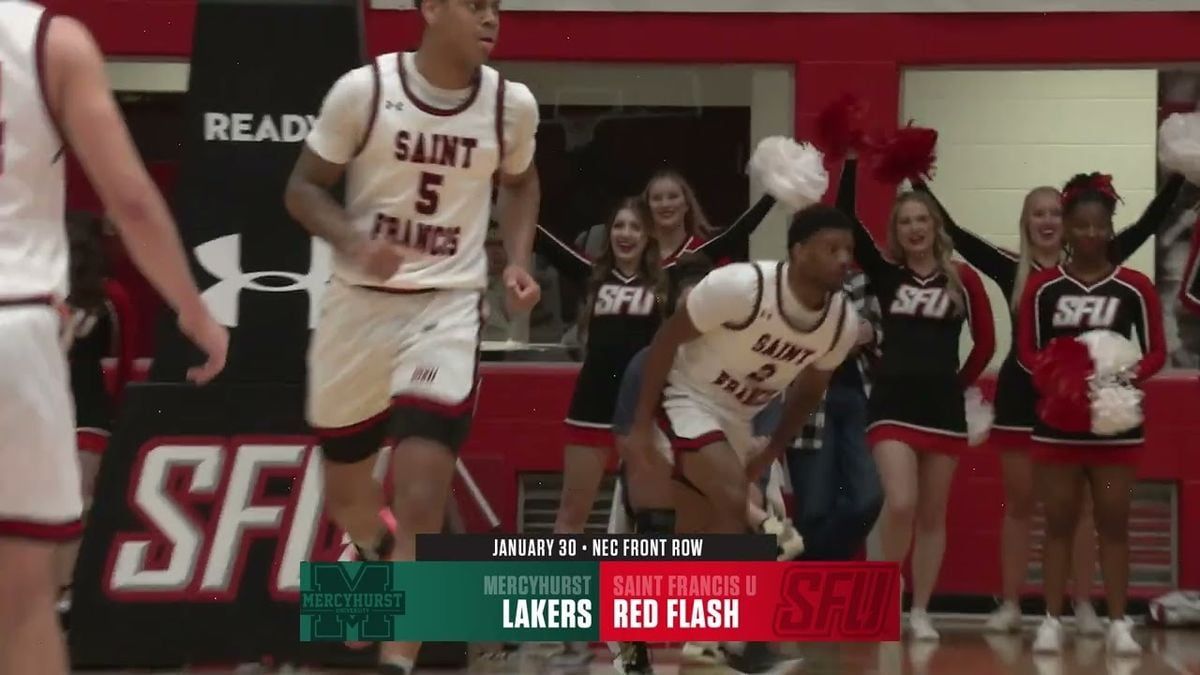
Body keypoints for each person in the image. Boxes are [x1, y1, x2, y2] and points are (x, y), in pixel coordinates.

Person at [282, 1, 541, 672]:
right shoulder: (364, 91)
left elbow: (520, 182)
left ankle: (396, 661)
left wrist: (516, 258)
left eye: (498, 7)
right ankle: (370, 546)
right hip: (357, 308)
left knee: (421, 492)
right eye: (475, 4)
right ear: (429, 8)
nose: (492, 19)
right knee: (347, 497)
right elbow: (303, 189)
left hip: (447, 308)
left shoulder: (511, 106)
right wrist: (350, 239)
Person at [0, 5, 228, 673]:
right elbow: (128, 198)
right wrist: (194, 310)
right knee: (22, 602)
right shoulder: (50, 41)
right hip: (14, 326)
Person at [913, 169, 1186, 634]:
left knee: (1078, 509)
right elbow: (956, 234)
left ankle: (1082, 605)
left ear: (1071, 219)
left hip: (1084, 407)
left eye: (1054, 212)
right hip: (1024, 400)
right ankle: (1013, 605)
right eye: (1037, 213)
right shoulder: (1010, 266)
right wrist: (916, 178)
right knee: (1019, 506)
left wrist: (1179, 175)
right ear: (1025, 222)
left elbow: (1146, 222)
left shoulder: (1100, 258)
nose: (1047, 221)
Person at [619, 204, 861, 674]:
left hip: (736, 415)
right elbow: (666, 341)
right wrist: (640, 425)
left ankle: (667, 639)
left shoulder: (840, 324)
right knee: (735, 505)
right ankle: (746, 622)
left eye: (849, 250)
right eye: (832, 248)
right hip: (682, 393)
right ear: (799, 251)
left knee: (700, 537)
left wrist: (771, 450)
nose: (844, 258)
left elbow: (809, 391)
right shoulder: (741, 289)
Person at [837, 155, 996, 641]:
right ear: (896, 230)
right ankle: (887, 594)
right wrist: (850, 160)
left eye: (922, 219)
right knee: (901, 502)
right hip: (891, 406)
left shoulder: (962, 278)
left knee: (932, 514)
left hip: (943, 410)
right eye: (905, 222)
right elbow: (845, 218)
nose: (914, 228)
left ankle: (921, 611)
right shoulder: (886, 274)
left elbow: (987, 342)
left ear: (936, 224)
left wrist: (959, 383)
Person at [1017, 172, 1166, 656]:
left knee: (1114, 522)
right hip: (1059, 426)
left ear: (1109, 228)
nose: (1089, 236)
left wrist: (1119, 378)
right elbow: (1027, 351)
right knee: (1058, 523)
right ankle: (1050, 620)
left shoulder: (1134, 287)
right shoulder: (1043, 288)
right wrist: (1059, 381)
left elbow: (1156, 352)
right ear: (1066, 229)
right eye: (1078, 227)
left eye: (1098, 227)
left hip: (1114, 425)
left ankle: (1119, 622)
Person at [55, 211, 138, 625]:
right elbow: (121, 367)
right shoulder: (112, 297)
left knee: (48, 511)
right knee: (80, 509)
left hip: (48, 417)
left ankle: (59, 595)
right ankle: (70, 593)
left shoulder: (38, 296)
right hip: (90, 416)